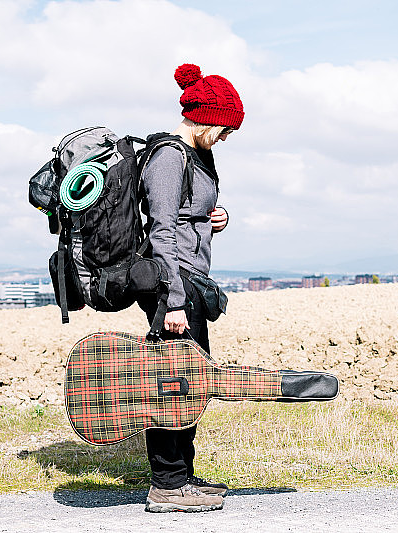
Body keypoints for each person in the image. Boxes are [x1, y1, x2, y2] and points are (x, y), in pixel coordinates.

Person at [138, 63, 244, 513]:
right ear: (204, 117)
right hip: (172, 284)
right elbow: (161, 229)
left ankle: (183, 475)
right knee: (172, 383)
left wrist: (213, 220)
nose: (224, 139)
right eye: (222, 129)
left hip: (189, 280)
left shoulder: (197, 156)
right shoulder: (168, 156)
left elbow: (185, 218)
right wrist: (174, 302)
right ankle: (166, 485)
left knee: (190, 382)